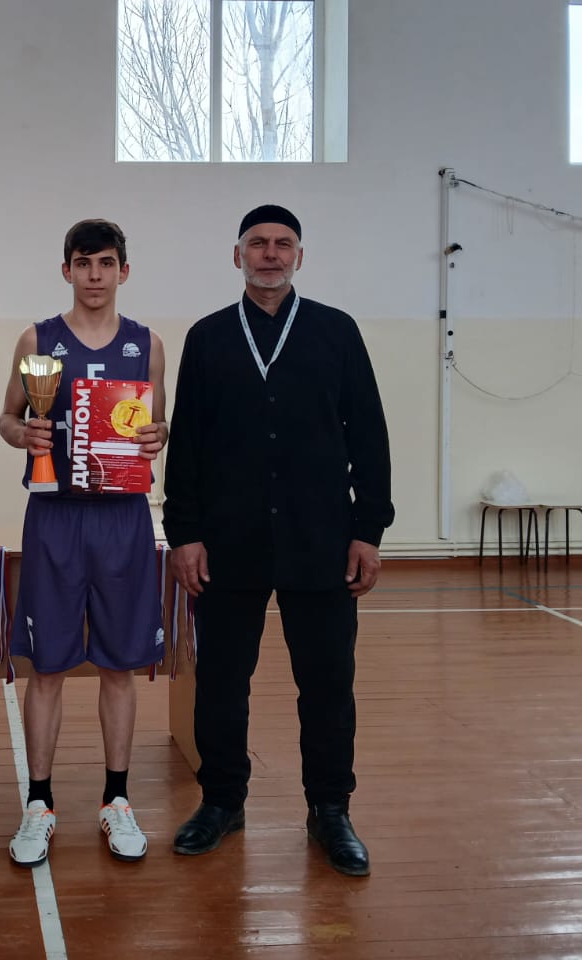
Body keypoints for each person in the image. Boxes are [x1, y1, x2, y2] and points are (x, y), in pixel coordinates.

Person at [162, 204, 393, 876]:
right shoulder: (208, 337)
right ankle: (221, 801)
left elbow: (369, 436)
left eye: (282, 243)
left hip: (320, 540)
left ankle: (330, 810)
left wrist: (368, 530)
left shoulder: (336, 332)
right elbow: (188, 445)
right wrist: (185, 533)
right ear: (237, 256)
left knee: (327, 684)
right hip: (227, 541)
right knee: (220, 683)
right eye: (258, 243)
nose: (270, 254)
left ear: (300, 256)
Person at [0, 219, 168, 866]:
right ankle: (38, 804)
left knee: (119, 665)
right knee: (47, 667)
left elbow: (155, 426)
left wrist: (158, 436)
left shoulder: (147, 344)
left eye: (105, 263)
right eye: (82, 262)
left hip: (123, 517)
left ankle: (116, 800)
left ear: (124, 270)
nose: (94, 275)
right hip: (55, 516)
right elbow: (8, 417)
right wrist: (23, 435)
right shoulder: (37, 339)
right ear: (65, 269)